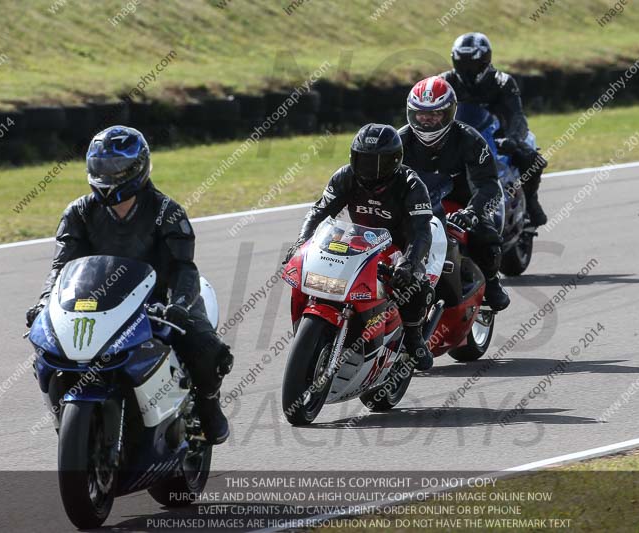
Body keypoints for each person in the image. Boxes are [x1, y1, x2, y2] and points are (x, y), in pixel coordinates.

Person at [25, 126, 233, 444]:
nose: (108, 177)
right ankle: (69, 420)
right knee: (49, 350)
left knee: (207, 351)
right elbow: (60, 268)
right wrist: (44, 303)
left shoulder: (168, 212)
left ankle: (208, 406)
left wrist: (177, 305)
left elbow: (183, 268)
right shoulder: (78, 213)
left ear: (138, 168)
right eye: (101, 169)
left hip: (161, 301)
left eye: (116, 169)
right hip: (100, 305)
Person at [284, 123, 436, 370]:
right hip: (363, 239)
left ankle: (414, 337)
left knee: (415, 284)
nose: (370, 170)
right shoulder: (345, 176)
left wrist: (409, 262)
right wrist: (302, 241)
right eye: (363, 160)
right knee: (320, 267)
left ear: (395, 161)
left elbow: (421, 231)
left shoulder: (411, 184)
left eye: (379, 162)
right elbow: (319, 212)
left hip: (401, 245)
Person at [399, 75, 510, 312]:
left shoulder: (469, 139)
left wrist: (472, 212)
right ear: (411, 113)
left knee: (485, 236)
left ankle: (491, 282)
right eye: (421, 114)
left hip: (459, 203)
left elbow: (489, 185)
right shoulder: (400, 141)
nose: (427, 120)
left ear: (449, 113)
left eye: (435, 114)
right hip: (415, 204)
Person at [441, 32, 548, 226]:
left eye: (471, 64)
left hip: (498, 137)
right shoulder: (446, 82)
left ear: (485, 61)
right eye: (462, 63)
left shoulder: (502, 82)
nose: (467, 69)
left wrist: (513, 139)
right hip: (459, 139)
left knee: (531, 158)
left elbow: (516, 115)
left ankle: (531, 201)